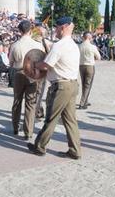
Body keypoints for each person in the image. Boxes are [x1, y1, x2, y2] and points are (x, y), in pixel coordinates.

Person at [27, 17, 82, 159]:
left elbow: (46, 65)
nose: (55, 30)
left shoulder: (60, 45)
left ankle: (40, 146)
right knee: (70, 120)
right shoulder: (73, 44)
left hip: (61, 86)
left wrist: (36, 64)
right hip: (72, 84)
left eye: (56, 27)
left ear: (62, 27)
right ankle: (75, 150)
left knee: (51, 118)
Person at [9, 20, 43, 140]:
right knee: (31, 103)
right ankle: (28, 131)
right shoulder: (37, 44)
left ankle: (15, 127)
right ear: (30, 30)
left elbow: (11, 62)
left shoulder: (15, 45)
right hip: (32, 74)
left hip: (19, 73)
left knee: (17, 101)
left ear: (19, 31)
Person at [77, 32, 102, 110]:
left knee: (84, 84)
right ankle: (82, 103)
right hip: (90, 66)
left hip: (81, 66)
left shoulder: (79, 46)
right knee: (88, 85)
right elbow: (99, 57)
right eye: (91, 38)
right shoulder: (92, 47)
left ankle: (85, 100)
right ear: (89, 38)